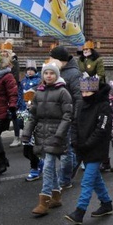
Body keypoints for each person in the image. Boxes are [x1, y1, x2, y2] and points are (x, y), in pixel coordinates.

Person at [22, 62, 73, 216]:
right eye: (46, 73)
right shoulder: (39, 92)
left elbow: (68, 115)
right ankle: (56, 196)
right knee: (49, 166)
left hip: (56, 134)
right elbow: (33, 116)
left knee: (47, 166)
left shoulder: (63, 93)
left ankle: (44, 201)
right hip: (41, 134)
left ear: (56, 75)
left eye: (52, 73)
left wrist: (60, 134)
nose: (48, 76)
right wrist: (26, 132)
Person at [64, 76, 113, 225]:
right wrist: (75, 141)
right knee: (95, 179)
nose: (85, 95)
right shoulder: (81, 105)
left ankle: (80, 212)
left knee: (87, 181)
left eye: (88, 92)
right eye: (83, 91)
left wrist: (87, 144)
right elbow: (74, 123)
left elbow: (102, 129)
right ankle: (106, 204)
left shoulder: (104, 106)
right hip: (82, 147)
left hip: (96, 149)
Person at [49, 45, 84, 190]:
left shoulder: (74, 74)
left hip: (68, 116)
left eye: (53, 57)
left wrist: (75, 117)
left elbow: (79, 97)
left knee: (66, 149)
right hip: (55, 116)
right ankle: (68, 169)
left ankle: (65, 179)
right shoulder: (55, 72)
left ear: (60, 60)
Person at [17, 62, 43, 179]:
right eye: (28, 69)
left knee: (31, 146)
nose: (29, 71)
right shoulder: (23, 82)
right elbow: (19, 95)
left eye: (32, 69)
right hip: (24, 113)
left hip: (35, 116)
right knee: (25, 150)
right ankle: (39, 162)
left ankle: (35, 168)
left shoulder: (39, 83)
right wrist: (19, 108)